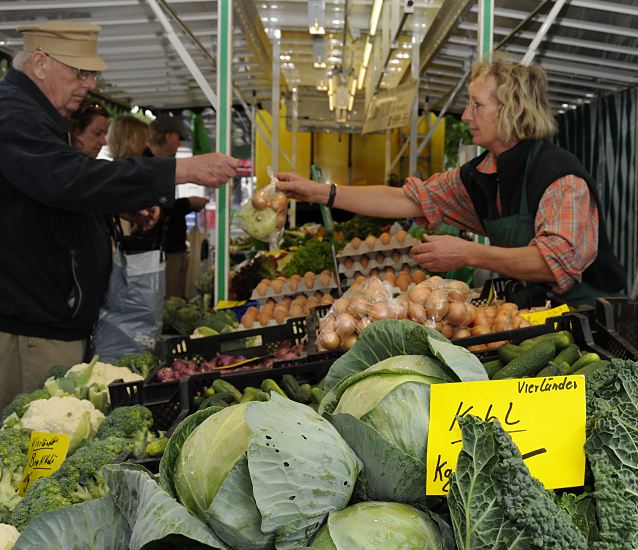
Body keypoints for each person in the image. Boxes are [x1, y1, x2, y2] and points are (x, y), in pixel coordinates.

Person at [0, 20, 237, 409]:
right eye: (81, 72)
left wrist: (115, 205)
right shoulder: (13, 113)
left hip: (48, 323)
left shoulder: (36, 115)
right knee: (37, 451)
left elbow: (48, 194)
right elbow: (64, 180)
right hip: (33, 329)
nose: (90, 84)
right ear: (40, 64)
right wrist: (181, 170)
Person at [276, 56, 625, 307]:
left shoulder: (559, 176)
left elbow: (553, 262)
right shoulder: (482, 174)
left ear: (511, 110)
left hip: (593, 325)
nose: (466, 115)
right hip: (540, 315)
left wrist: (469, 253)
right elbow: (405, 199)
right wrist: (318, 192)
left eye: (476, 105)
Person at [137, 114, 209, 298]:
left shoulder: (158, 164)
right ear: (168, 137)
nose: (179, 146)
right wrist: (188, 204)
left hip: (169, 249)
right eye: (178, 139)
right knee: (167, 302)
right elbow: (156, 210)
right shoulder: (145, 165)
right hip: (158, 253)